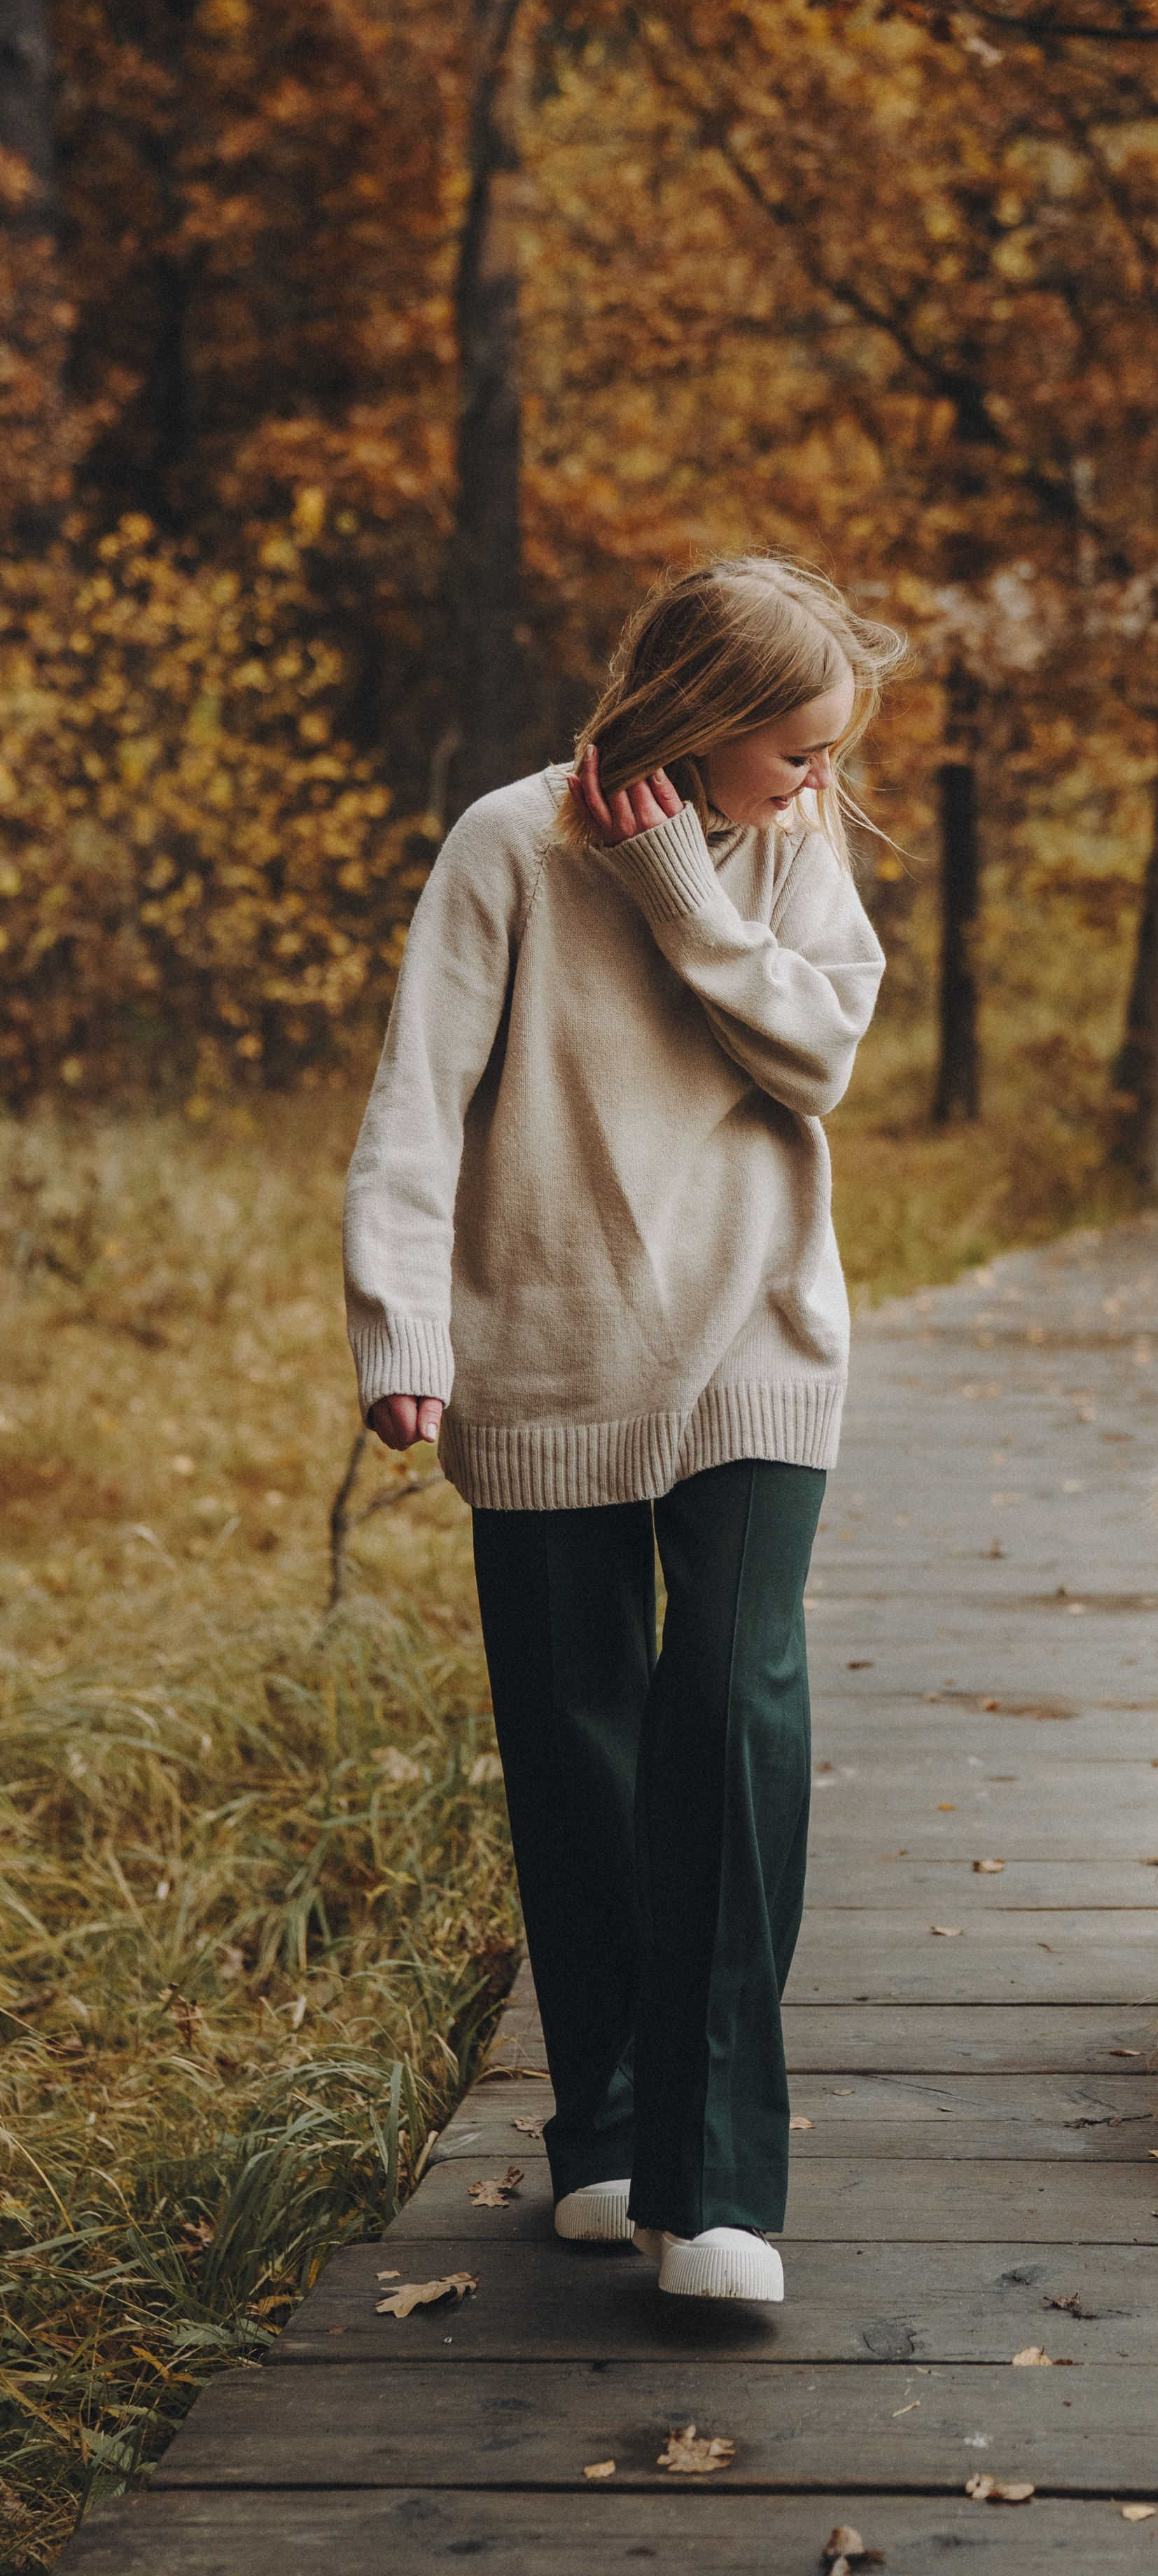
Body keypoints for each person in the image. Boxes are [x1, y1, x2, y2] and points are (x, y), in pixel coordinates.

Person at [342, 555, 902, 2303]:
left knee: (731, 1707)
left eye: (826, 748)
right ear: (701, 718)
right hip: (552, 1344)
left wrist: (687, 892)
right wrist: (401, 1322)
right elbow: (417, 1100)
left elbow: (818, 1055)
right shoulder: (507, 845)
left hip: (755, 1336)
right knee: (576, 1739)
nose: (820, 777)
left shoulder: (793, 849)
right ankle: (599, 2130)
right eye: (797, 747)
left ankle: (713, 2179)